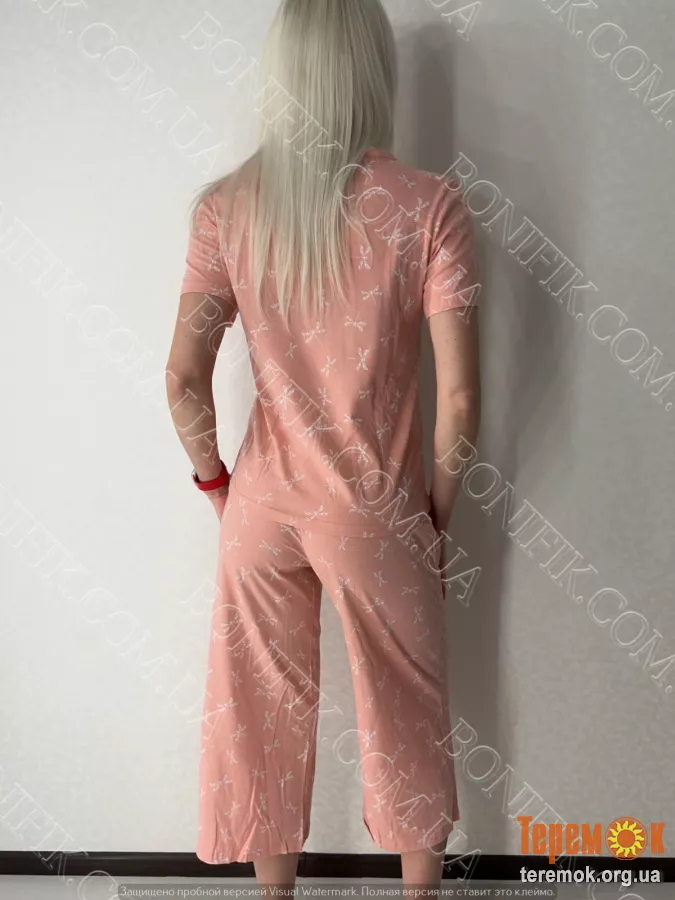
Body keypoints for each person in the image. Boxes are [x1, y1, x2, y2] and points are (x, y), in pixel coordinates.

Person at [165, 0, 481, 890]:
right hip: (376, 508)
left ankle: (271, 891)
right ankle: (419, 890)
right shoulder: (428, 206)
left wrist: (219, 487)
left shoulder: (226, 208)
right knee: (404, 706)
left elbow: (182, 380)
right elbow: (460, 399)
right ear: (371, 71)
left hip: (260, 509)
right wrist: (434, 519)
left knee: (257, 711)